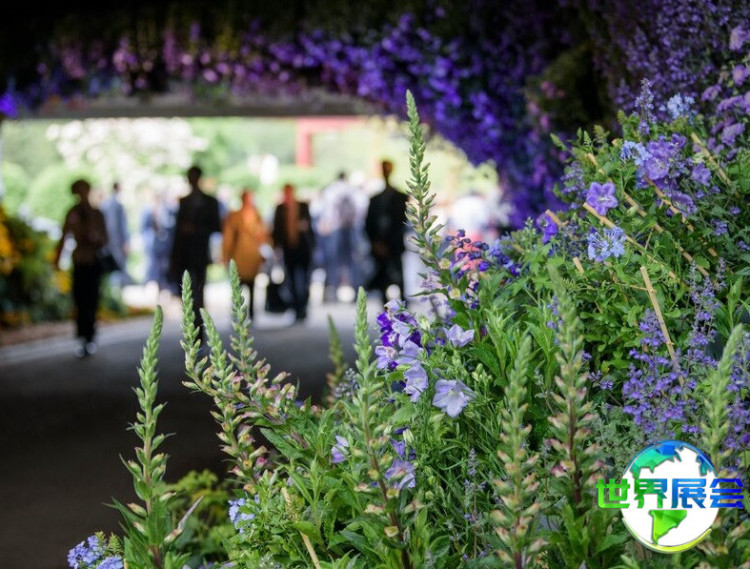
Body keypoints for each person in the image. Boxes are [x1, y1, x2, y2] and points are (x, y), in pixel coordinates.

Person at [53, 178, 109, 358]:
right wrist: (57, 258)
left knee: (91, 298)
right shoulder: (73, 213)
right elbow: (64, 235)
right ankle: (82, 334)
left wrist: (96, 238)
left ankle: (89, 335)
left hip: (93, 261)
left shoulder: (97, 214)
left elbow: (105, 239)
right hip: (79, 261)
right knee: (79, 298)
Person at [169, 165, 222, 336]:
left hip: (199, 253)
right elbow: (177, 232)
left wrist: (196, 229)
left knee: (199, 292)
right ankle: (192, 328)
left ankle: (199, 329)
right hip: (184, 254)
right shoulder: (184, 202)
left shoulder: (209, 202)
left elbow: (216, 226)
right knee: (186, 293)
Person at [365, 159, 409, 306]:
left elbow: (401, 222)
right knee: (383, 278)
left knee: (398, 277)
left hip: (394, 245)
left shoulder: (400, 197)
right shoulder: (375, 199)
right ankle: (387, 306)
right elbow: (369, 223)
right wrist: (376, 243)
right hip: (381, 245)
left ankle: (403, 305)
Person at [222, 189, 269, 321]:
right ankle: (237, 313)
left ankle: (252, 314)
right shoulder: (234, 216)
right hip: (238, 255)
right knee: (237, 285)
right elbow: (228, 237)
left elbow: (264, 235)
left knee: (252, 285)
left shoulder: (257, 215)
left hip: (253, 255)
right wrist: (225, 255)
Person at [272, 183, 315, 322]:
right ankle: (296, 308)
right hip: (288, 249)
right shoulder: (280, 209)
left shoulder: (302, 206)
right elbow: (276, 229)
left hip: (303, 249)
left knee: (304, 280)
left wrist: (304, 227)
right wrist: (276, 247)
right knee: (291, 280)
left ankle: (303, 307)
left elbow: (309, 226)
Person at [100, 181, 133, 287]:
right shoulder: (117, 205)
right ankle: (117, 287)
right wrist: (126, 241)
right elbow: (122, 225)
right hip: (117, 240)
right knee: (118, 264)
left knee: (114, 265)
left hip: (110, 240)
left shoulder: (105, 204)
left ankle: (114, 288)